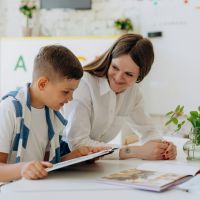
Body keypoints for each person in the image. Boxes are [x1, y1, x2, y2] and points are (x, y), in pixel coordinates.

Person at [0, 45, 109, 182]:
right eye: (65, 92)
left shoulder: (51, 114)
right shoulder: (9, 108)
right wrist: (22, 169)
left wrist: (77, 157)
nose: (70, 98)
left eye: (73, 92)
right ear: (42, 84)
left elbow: (45, 166)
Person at [63, 33, 177, 160]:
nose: (118, 78)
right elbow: (78, 143)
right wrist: (134, 151)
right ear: (109, 60)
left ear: (140, 76)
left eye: (128, 74)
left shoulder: (133, 93)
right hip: (65, 159)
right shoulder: (84, 84)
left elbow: (148, 131)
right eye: (115, 67)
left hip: (93, 164)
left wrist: (163, 147)